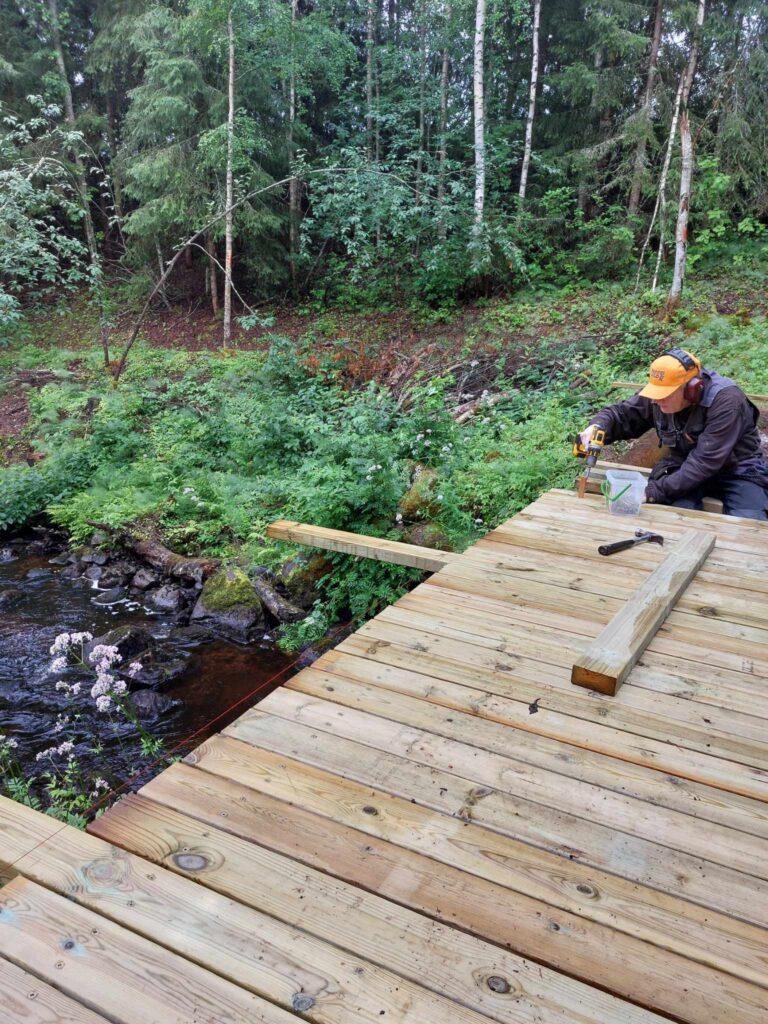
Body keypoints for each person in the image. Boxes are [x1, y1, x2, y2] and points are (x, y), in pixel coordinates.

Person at [580, 348, 768, 520]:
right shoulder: (657, 396)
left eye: (665, 394)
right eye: (655, 392)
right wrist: (597, 427)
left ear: (693, 389)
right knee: (672, 516)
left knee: (749, 522)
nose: (656, 399)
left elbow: (705, 462)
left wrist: (651, 492)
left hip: (738, 470)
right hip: (684, 465)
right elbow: (621, 414)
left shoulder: (726, 401)